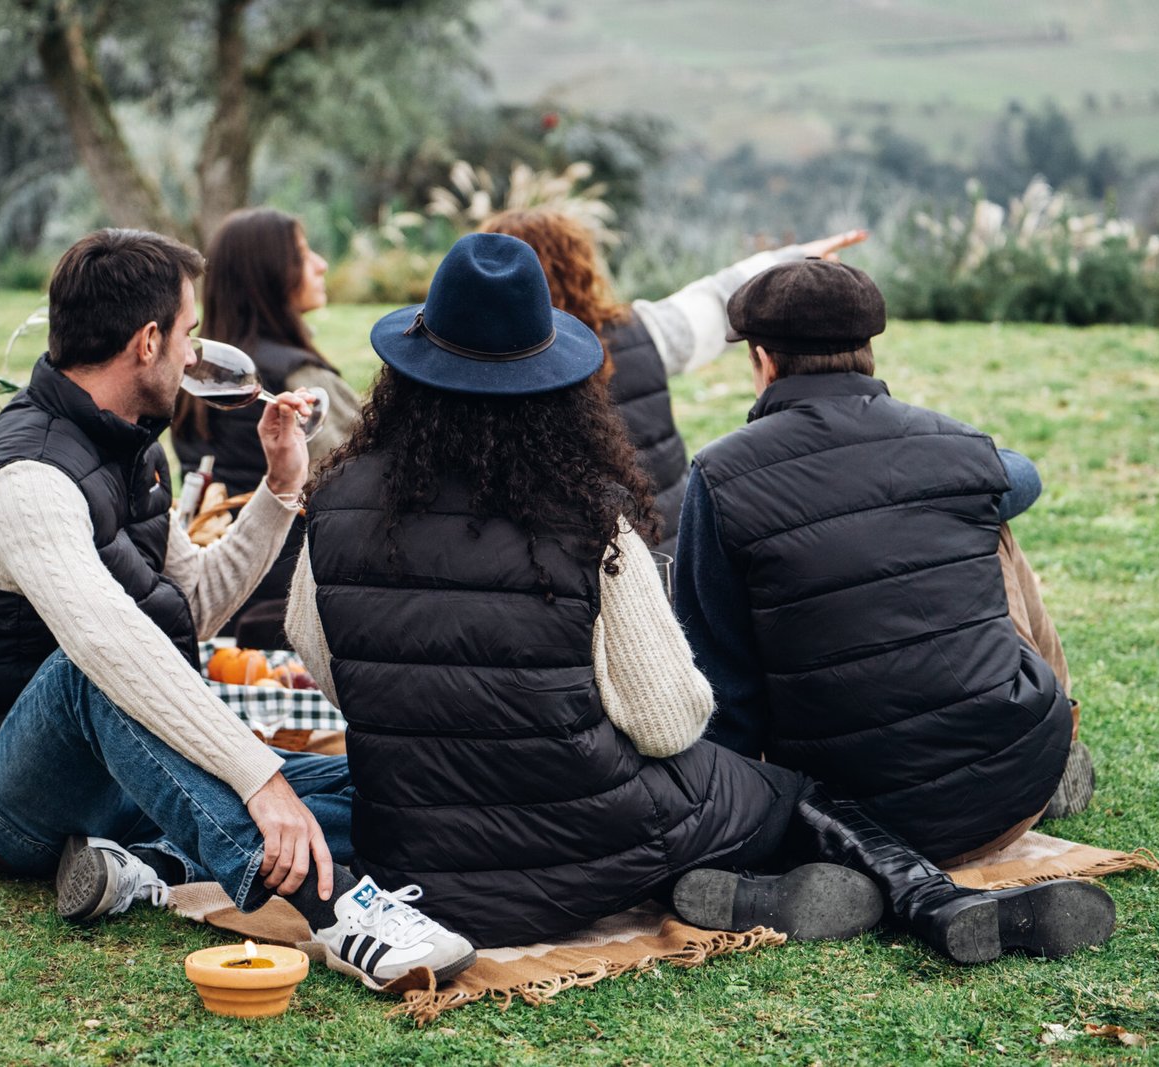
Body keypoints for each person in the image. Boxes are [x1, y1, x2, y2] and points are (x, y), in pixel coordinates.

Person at [284, 233, 1115, 963]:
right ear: (551, 380)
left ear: (409, 370)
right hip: (594, 851)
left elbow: (322, 656)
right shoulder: (589, 515)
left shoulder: (336, 501)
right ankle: (931, 900)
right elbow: (669, 721)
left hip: (417, 865)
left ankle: (759, 891)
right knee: (789, 793)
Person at [0, 228, 474, 990]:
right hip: (5, 798)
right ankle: (340, 911)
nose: (195, 354)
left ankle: (149, 864)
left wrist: (280, 488)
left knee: (382, 789)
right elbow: (114, 648)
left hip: (130, 775)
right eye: (189, 332)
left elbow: (189, 610)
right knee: (101, 674)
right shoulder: (28, 481)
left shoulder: (132, 449)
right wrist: (258, 779)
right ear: (148, 341)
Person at [675, 256, 1094, 872]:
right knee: (993, 526)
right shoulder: (957, 445)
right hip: (1011, 791)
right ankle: (1068, 740)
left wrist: (732, 810)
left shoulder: (720, 476)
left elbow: (723, 687)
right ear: (868, 350)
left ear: (763, 361)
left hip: (844, 823)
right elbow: (1022, 478)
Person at [480, 209, 866, 554]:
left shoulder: (482, 368)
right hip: (665, 546)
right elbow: (717, 297)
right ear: (582, 266)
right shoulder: (644, 330)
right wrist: (798, 258)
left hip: (562, 561)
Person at [170, 208, 362, 647]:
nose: (321, 264)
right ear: (269, 274)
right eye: (303, 254)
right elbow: (363, 487)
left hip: (218, 595)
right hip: (291, 612)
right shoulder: (298, 382)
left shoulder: (190, 377)